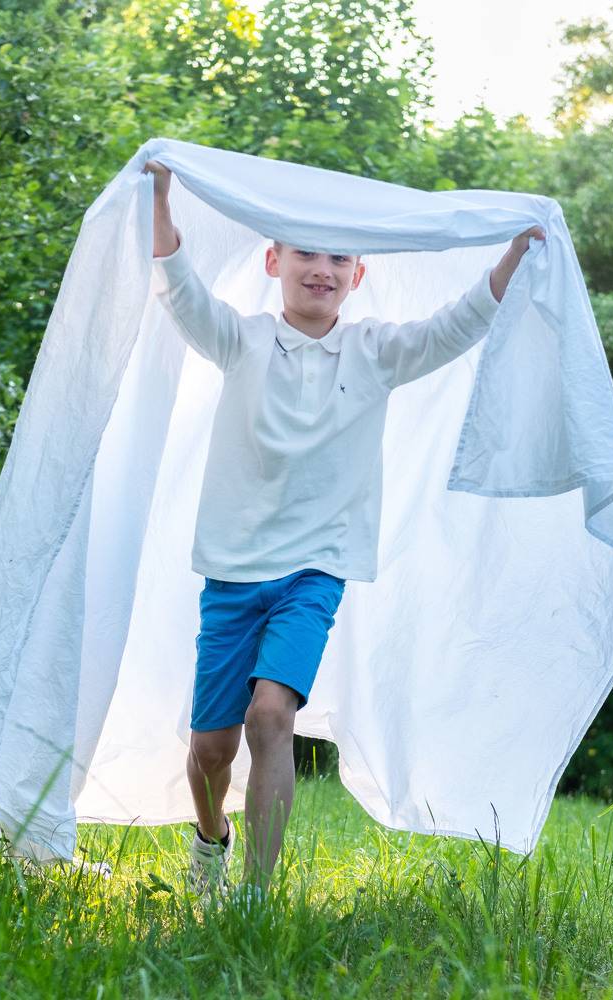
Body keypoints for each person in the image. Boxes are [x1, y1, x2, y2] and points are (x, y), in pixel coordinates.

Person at [142, 159, 544, 898]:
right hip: (233, 573)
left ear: (358, 275)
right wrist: (162, 197)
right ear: (274, 262)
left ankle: (254, 900)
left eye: (338, 258)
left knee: (271, 716)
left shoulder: (375, 353)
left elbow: (456, 325)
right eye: (305, 252)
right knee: (210, 750)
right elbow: (181, 289)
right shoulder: (243, 341)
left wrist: (514, 253)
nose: (321, 269)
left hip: (313, 572)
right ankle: (210, 837)